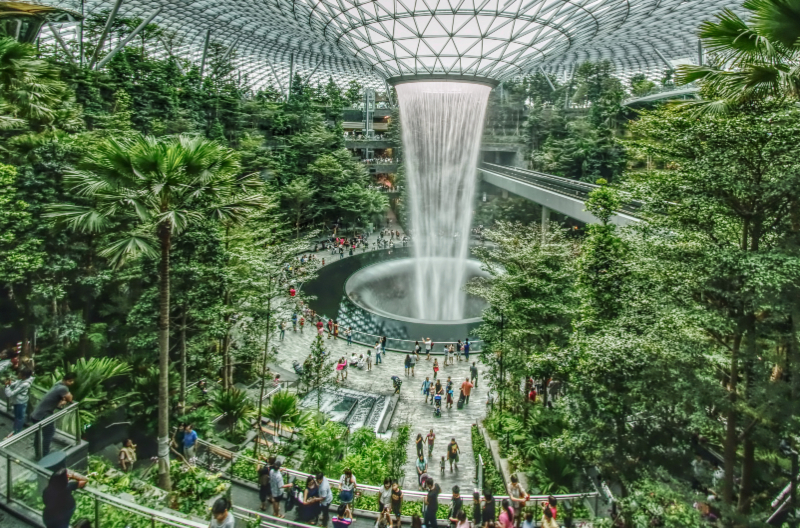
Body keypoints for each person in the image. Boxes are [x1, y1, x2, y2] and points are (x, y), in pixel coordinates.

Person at [31, 372, 76, 458]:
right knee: (49, 433)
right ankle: (44, 454)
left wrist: (62, 401)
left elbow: (59, 402)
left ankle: (38, 453)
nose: (72, 383)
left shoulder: (58, 384)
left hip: (36, 413)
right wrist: (66, 399)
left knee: (38, 434)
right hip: (44, 415)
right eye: (71, 381)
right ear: (66, 380)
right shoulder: (63, 388)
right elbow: (70, 398)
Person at [5, 366, 33, 434]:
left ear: (24, 376)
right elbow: (14, 384)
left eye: (20, 374)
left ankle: (17, 431)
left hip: (21, 402)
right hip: (17, 401)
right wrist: (9, 383)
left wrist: (7, 386)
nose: (18, 375)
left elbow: (10, 394)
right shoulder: (21, 380)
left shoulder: (25, 384)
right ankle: (15, 430)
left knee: (20, 417)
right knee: (17, 416)